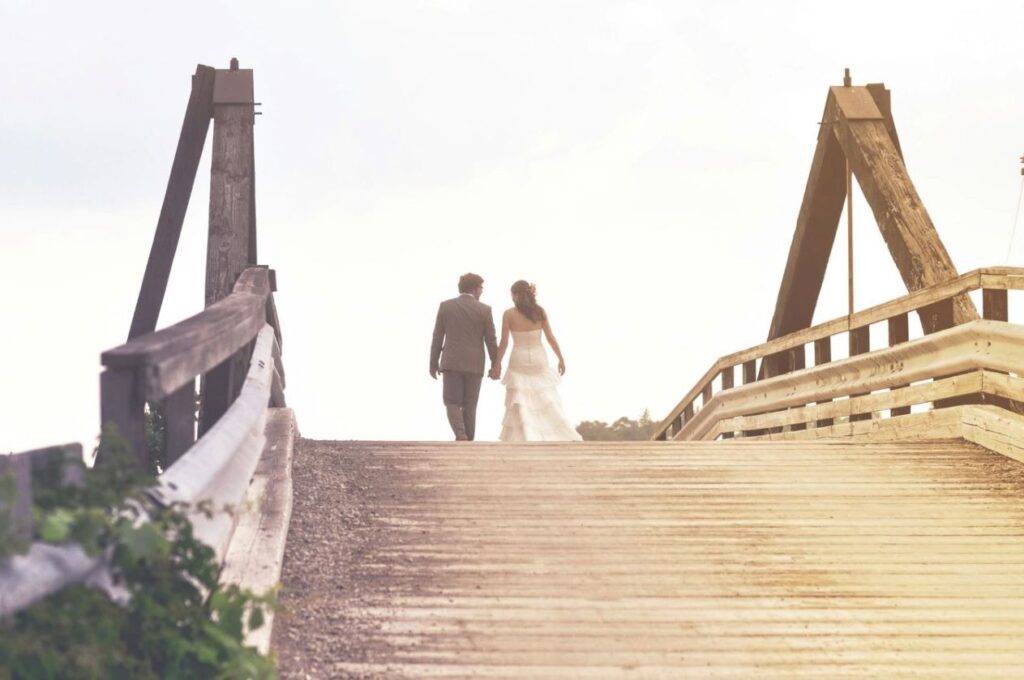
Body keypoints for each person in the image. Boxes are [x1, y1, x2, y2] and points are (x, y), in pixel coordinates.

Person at [491, 280, 582, 441]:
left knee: (521, 396)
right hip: (539, 357)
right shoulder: (540, 312)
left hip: (518, 358)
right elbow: (550, 338)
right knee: (544, 395)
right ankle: (552, 433)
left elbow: (504, 343)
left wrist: (497, 364)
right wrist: (560, 358)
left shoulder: (508, 314)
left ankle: (526, 434)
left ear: (513, 295)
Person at [430, 273, 499, 441]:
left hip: (451, 362)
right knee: (470, 405)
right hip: (475, 364)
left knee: (451, 402)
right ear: (475, 289)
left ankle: (461, 435)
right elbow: (491, 340)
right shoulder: (485, 310)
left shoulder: (445, 306)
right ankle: (468, 440)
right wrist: (495, 364)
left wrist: (433, 363)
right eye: (481, 288)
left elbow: (438, 337)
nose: (482, 291)